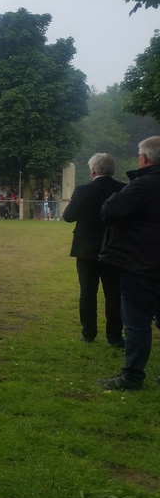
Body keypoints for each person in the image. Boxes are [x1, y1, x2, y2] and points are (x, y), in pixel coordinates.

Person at [97, 136, 160, 390]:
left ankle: (132, 376)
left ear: (143, 158)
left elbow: (109, 209)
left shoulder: (144, 184)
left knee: (136, 322)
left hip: (141, 263)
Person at [62, 153, 125, 346]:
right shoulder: (123, 189)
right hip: (114, 248)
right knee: (113, 295)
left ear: (93, 171)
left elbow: (68, 216)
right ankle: (114, 337)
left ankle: (88, 333)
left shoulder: (83, 190)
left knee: (87, 293)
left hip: (86, 249)